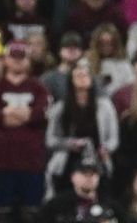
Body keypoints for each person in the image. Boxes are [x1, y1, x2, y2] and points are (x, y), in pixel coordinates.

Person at [0, 41, 49, 223]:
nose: (18, 62)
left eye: (22, 58)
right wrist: (23, 115)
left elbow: (39, 114)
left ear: (28, 61)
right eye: (14, 57)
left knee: (32, 218)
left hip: (32, 163)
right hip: (2, 162)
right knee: (1, 218)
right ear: (6, 60)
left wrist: (8, 114)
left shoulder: (38, 88)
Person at [45, 60, 119, 195]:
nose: (82, 78)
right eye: (78, 76)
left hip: (97, 160)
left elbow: (113, 138)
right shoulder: (60, 108)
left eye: (85, 75)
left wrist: (106, 149)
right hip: (68, 161)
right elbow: (50, 140)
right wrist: (69, 143)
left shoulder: (105, 107)